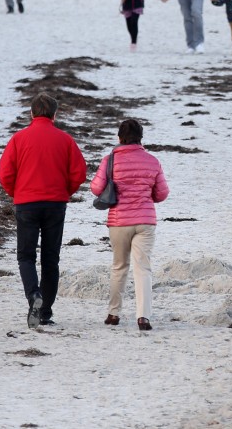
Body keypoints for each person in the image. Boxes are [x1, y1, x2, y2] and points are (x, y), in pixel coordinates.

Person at [0, 93, 87, 328]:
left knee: (26, 256)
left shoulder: (19, 139)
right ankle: (45, 312)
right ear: (55, 115)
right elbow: (79, 173)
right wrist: (64, 192)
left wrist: (16, 193)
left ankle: (33, 296)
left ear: (32, 113)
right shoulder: (65, 140)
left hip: (26, 203)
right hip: (55, 204)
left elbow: (5, 174)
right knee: (50, 259)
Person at [90, 118, 169, 331]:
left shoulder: (110, 160)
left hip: (119, 221)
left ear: (119, 137)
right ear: (141, 138)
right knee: (143, 268)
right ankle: (143, 317)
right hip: (145, 220)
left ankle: (114, 314)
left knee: (119, 267)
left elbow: (97, 189)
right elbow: (162, 194)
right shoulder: (153, 161)